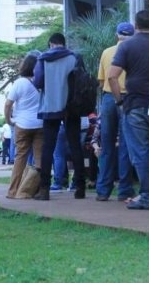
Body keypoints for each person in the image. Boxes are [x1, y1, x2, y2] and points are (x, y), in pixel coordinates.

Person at [109, 9, 149, 210]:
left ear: (135, 25)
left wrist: (119, 101)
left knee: (140, 152)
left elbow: (112, 76)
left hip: (135, 104)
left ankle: (147, 195)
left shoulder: (127, 46)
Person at [33, 32, 86, 201]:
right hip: (72, 106)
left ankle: (44, 189)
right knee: (75, 146)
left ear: (50, 44)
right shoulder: (75, 57)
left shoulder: (42, 59)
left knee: (48, 147)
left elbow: (38, 82)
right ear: (64, 43)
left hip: (50, 106)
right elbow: (82, 80)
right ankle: (80, 187)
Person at [95, 22, 136, 202]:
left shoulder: (106, 52)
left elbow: (102, 79)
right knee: (126, 145)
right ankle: (125, 190)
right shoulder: (135, 51)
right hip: (128, 98)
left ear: (117, 34)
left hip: (109, 98)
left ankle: (103, 190)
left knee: (107, 144)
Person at [5, 52, 44, 199]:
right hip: (40, 123)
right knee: (39, 158)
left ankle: (13, 190)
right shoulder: (42, 82)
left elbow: (8, 104)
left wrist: (9, 120)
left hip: (22, 124)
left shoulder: (19, 83)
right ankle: (37, 190)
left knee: (20, 157)